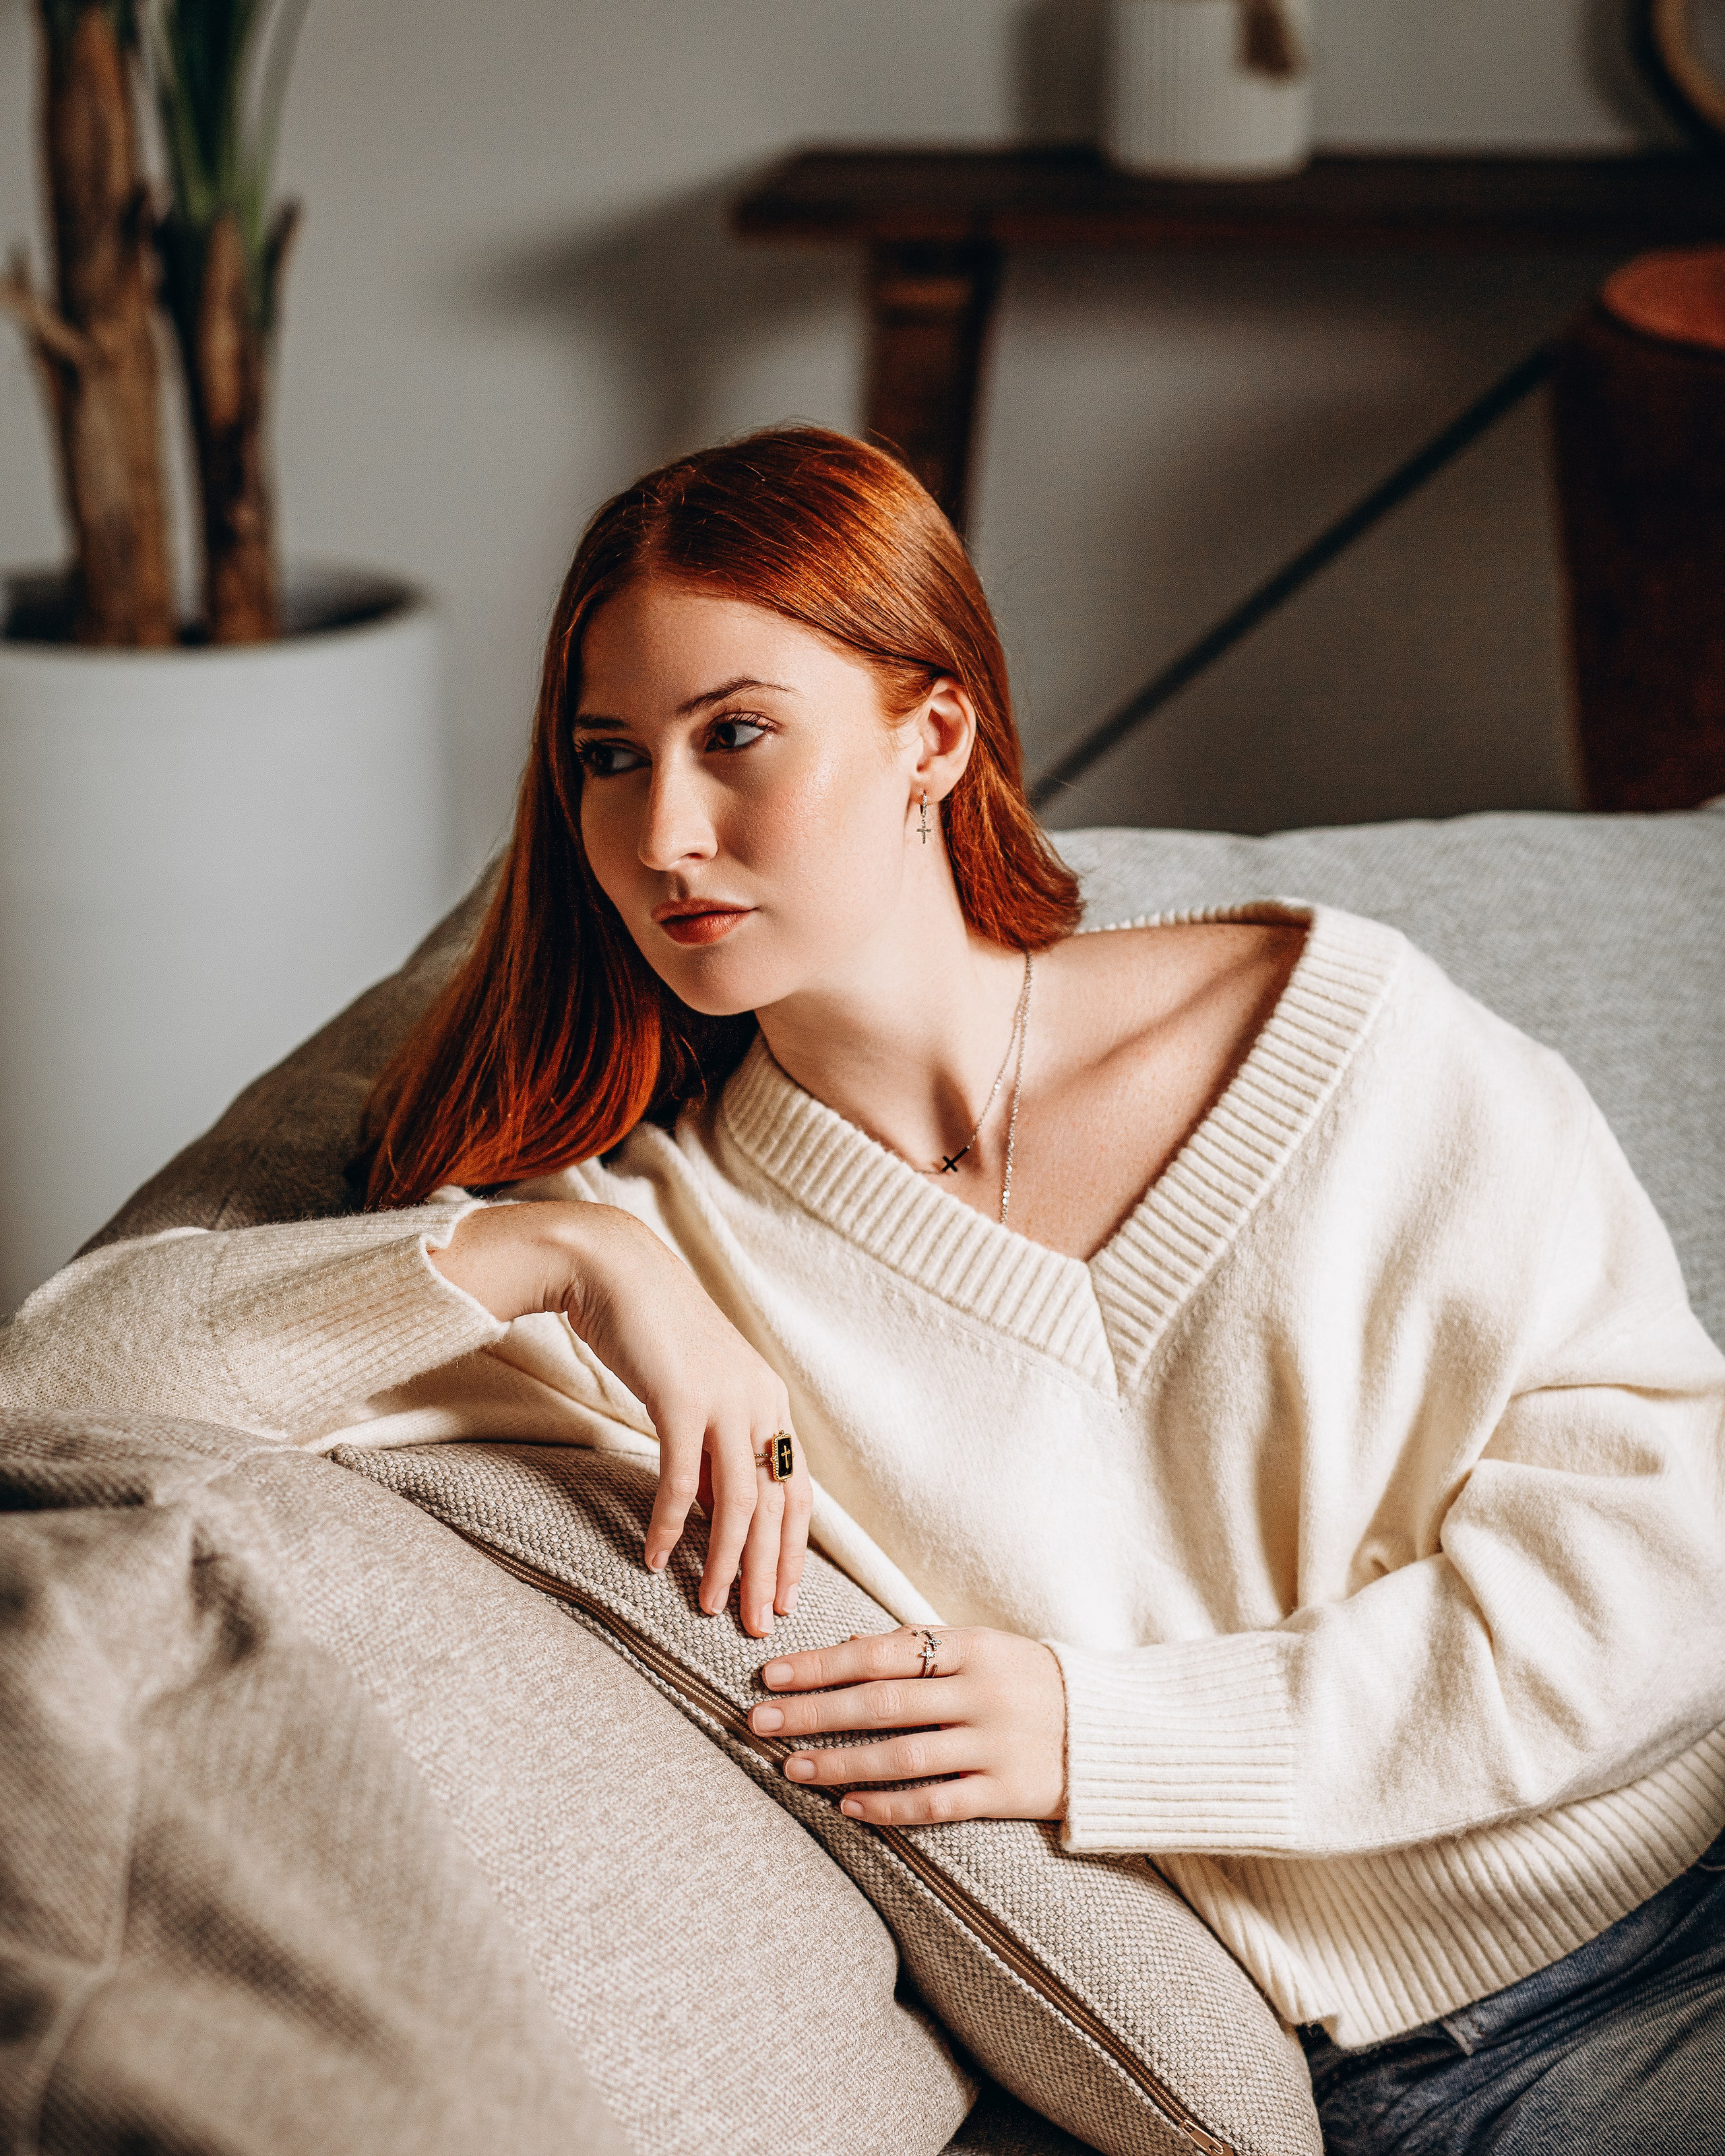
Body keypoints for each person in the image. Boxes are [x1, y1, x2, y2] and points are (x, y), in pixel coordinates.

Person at [5, 427, 1723, 2151]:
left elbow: (1662, 1562)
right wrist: (558, 1252)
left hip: (1672, 1907)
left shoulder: (1333, 1029)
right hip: (1365, 2089)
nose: (665, 833)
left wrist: (1102, 1730)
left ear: (935, 732)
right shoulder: (661, 1239)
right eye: (609, 759)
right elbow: (64, 1384)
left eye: (734, 734)